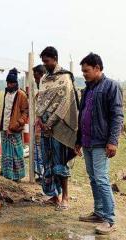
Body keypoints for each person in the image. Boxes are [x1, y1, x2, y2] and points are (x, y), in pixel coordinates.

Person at [76, 53, 124, 235]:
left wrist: (113, 141)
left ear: (97, 68)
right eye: (82, 71)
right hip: (87, 141)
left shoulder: (111, 86)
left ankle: (110, 220)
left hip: (100, 142)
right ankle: (99, 212)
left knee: (102, 179)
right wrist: (78, 140)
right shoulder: (87, 88)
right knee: (93, 178)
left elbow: (117, 116)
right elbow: (83, 115)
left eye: (86, 71)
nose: (84, 74)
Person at [36, 46, 78, 210]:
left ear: (54, 58)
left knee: (60, 161)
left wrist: (50, 122)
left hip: (59, 126)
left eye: (47, 61)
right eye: (43, 62)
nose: (45, 65)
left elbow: (65, 103)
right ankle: (54, 195)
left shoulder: (65, 78)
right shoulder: (44, 79)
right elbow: (40, 100)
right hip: (45, 126)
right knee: (48, 161)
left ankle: (65, 197)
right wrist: (39, 118)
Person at [0, 68, 29, 182]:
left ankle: (17, 176)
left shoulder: (21, 94)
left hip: (14, 128)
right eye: (8, 83)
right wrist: (4, 126)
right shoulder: (6, 93)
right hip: (5, 127)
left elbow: (25, 112)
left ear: (16, 83)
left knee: (16, 152)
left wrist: (16, 125)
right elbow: (6, 110)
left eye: (11, 83)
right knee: (6, 152)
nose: (9, 85)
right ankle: (7, 174)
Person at [32, 65, 46, 180]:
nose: (36, 81)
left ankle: (43, 175)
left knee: (42, 153)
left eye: (36, 78)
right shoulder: (38, 92)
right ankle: (39, 174)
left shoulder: (46, 92)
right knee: (37, 152)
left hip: (44, 128)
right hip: (37, 127)